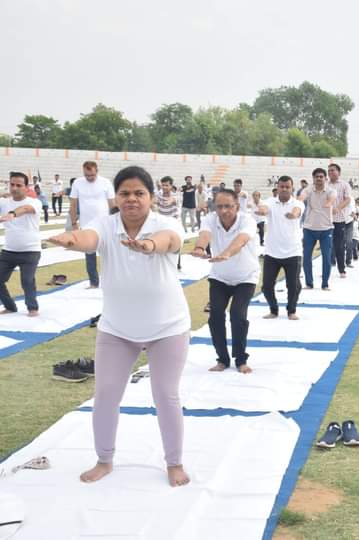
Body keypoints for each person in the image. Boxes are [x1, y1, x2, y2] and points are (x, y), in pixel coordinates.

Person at [48, 165, 191, 486]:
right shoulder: (106, 224)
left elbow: (169, 241)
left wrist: (149, 245)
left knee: (166, 395)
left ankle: (174, 462)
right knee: (106, 395)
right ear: (116, 197)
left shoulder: (165, 223)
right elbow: (89, 238)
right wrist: (71, 239)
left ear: (151, 198)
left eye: (139, 193)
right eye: (125, 193)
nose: (131, 199)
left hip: (168, 328)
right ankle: (104, 459)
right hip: (117, 329)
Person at [193, 189, 259, 373]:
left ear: (236, 206)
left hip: (245, 277)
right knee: (215, 317)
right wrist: (199, 248)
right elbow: (205, 235)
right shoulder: (210, 219)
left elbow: (242, 240)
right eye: (219, 206)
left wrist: (226, 254)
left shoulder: (247, 221)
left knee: (237, 315)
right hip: (219, 276)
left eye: (228, 206)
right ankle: (222, 358)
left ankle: (240, 359)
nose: (223, 211)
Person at [0, 172, 43, 317]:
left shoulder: (34, 202)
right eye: (12, 184)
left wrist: (12, 214)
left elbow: (24, 209)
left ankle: (32, 308)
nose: (14, 188)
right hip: (9, 251)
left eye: (19, 185)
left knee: (27, 281)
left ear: (26, 187)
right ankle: (10, 306)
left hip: (30, 250)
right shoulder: (4, 202)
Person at [69, 161, 115, 288]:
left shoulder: (105, 183)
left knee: (108, 254)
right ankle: (94, 282)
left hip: (105, 224)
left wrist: (116, 222)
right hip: (86, 225)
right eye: (86, 175)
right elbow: (73, 204)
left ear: (97, 171)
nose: (89, 178)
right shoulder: (77, 183)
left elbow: (112, 204)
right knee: (89, 254)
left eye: (92, 175)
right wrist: (74, 223)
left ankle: (111, 280)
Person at [299, 168, 336, 290]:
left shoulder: (331, 190)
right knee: (307, 256)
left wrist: (329, 203)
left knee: (326, 256)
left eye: (321, 177)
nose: (319, 179)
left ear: (325, 178)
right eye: (316, 177)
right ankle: (309, 283)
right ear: (313, 178)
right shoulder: (309, 189)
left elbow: (332, 199)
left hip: (326, 229)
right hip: (309, 228)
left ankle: (325, 284)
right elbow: (302, 196)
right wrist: (299, 201)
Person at [327, 163, 352, 278]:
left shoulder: (344, 185)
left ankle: (341, 269)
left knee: (339, 245)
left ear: (339, 172)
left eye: (333, 170)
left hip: (339, 220)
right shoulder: (325, 185)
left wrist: (338, 208)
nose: (331, 172)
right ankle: (326, 269)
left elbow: (347, 199)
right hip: (325, 220)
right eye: (329, 171)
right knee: (326, 245)